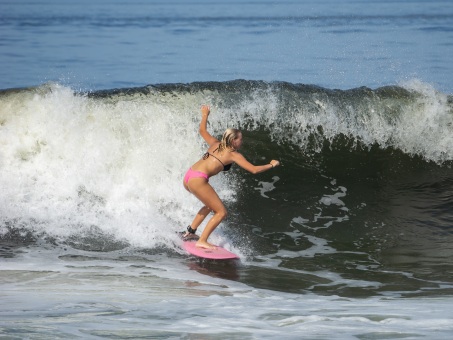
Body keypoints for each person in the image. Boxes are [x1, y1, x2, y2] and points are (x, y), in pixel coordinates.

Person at [183, 104, 280, 249]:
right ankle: (202, 241)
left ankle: (190, 232)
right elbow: (253, 170)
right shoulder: (233, 154)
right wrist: (271, 165)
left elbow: (202, 130)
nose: (242, 141)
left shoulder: (215, 143)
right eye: (240, 139)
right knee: (221, 212)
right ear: (234, 141)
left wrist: (205, 114)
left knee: (210, 205)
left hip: (189, 176)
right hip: (198, 179)